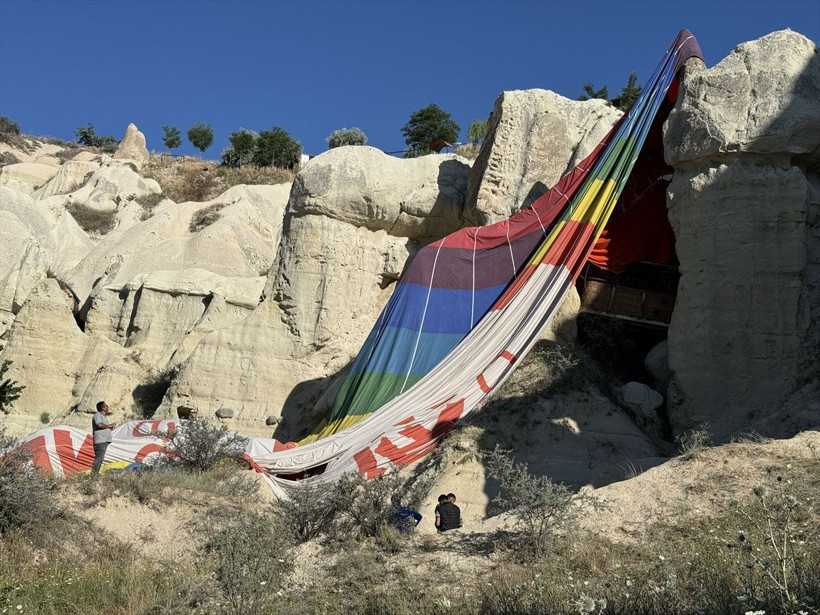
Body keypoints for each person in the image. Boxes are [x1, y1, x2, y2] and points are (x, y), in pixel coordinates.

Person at [91, 400, 116, 475]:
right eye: (106, 406)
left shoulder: (103, 416)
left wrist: (109, 428)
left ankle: (95, 474)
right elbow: (99, 425)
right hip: (100, 441)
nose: (107, 407)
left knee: (100, 458)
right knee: (99, 459)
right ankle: (94, 474)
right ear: (102, 407)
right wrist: (109, 425)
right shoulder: (97, 415)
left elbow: (102, 426)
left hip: (103, 440)